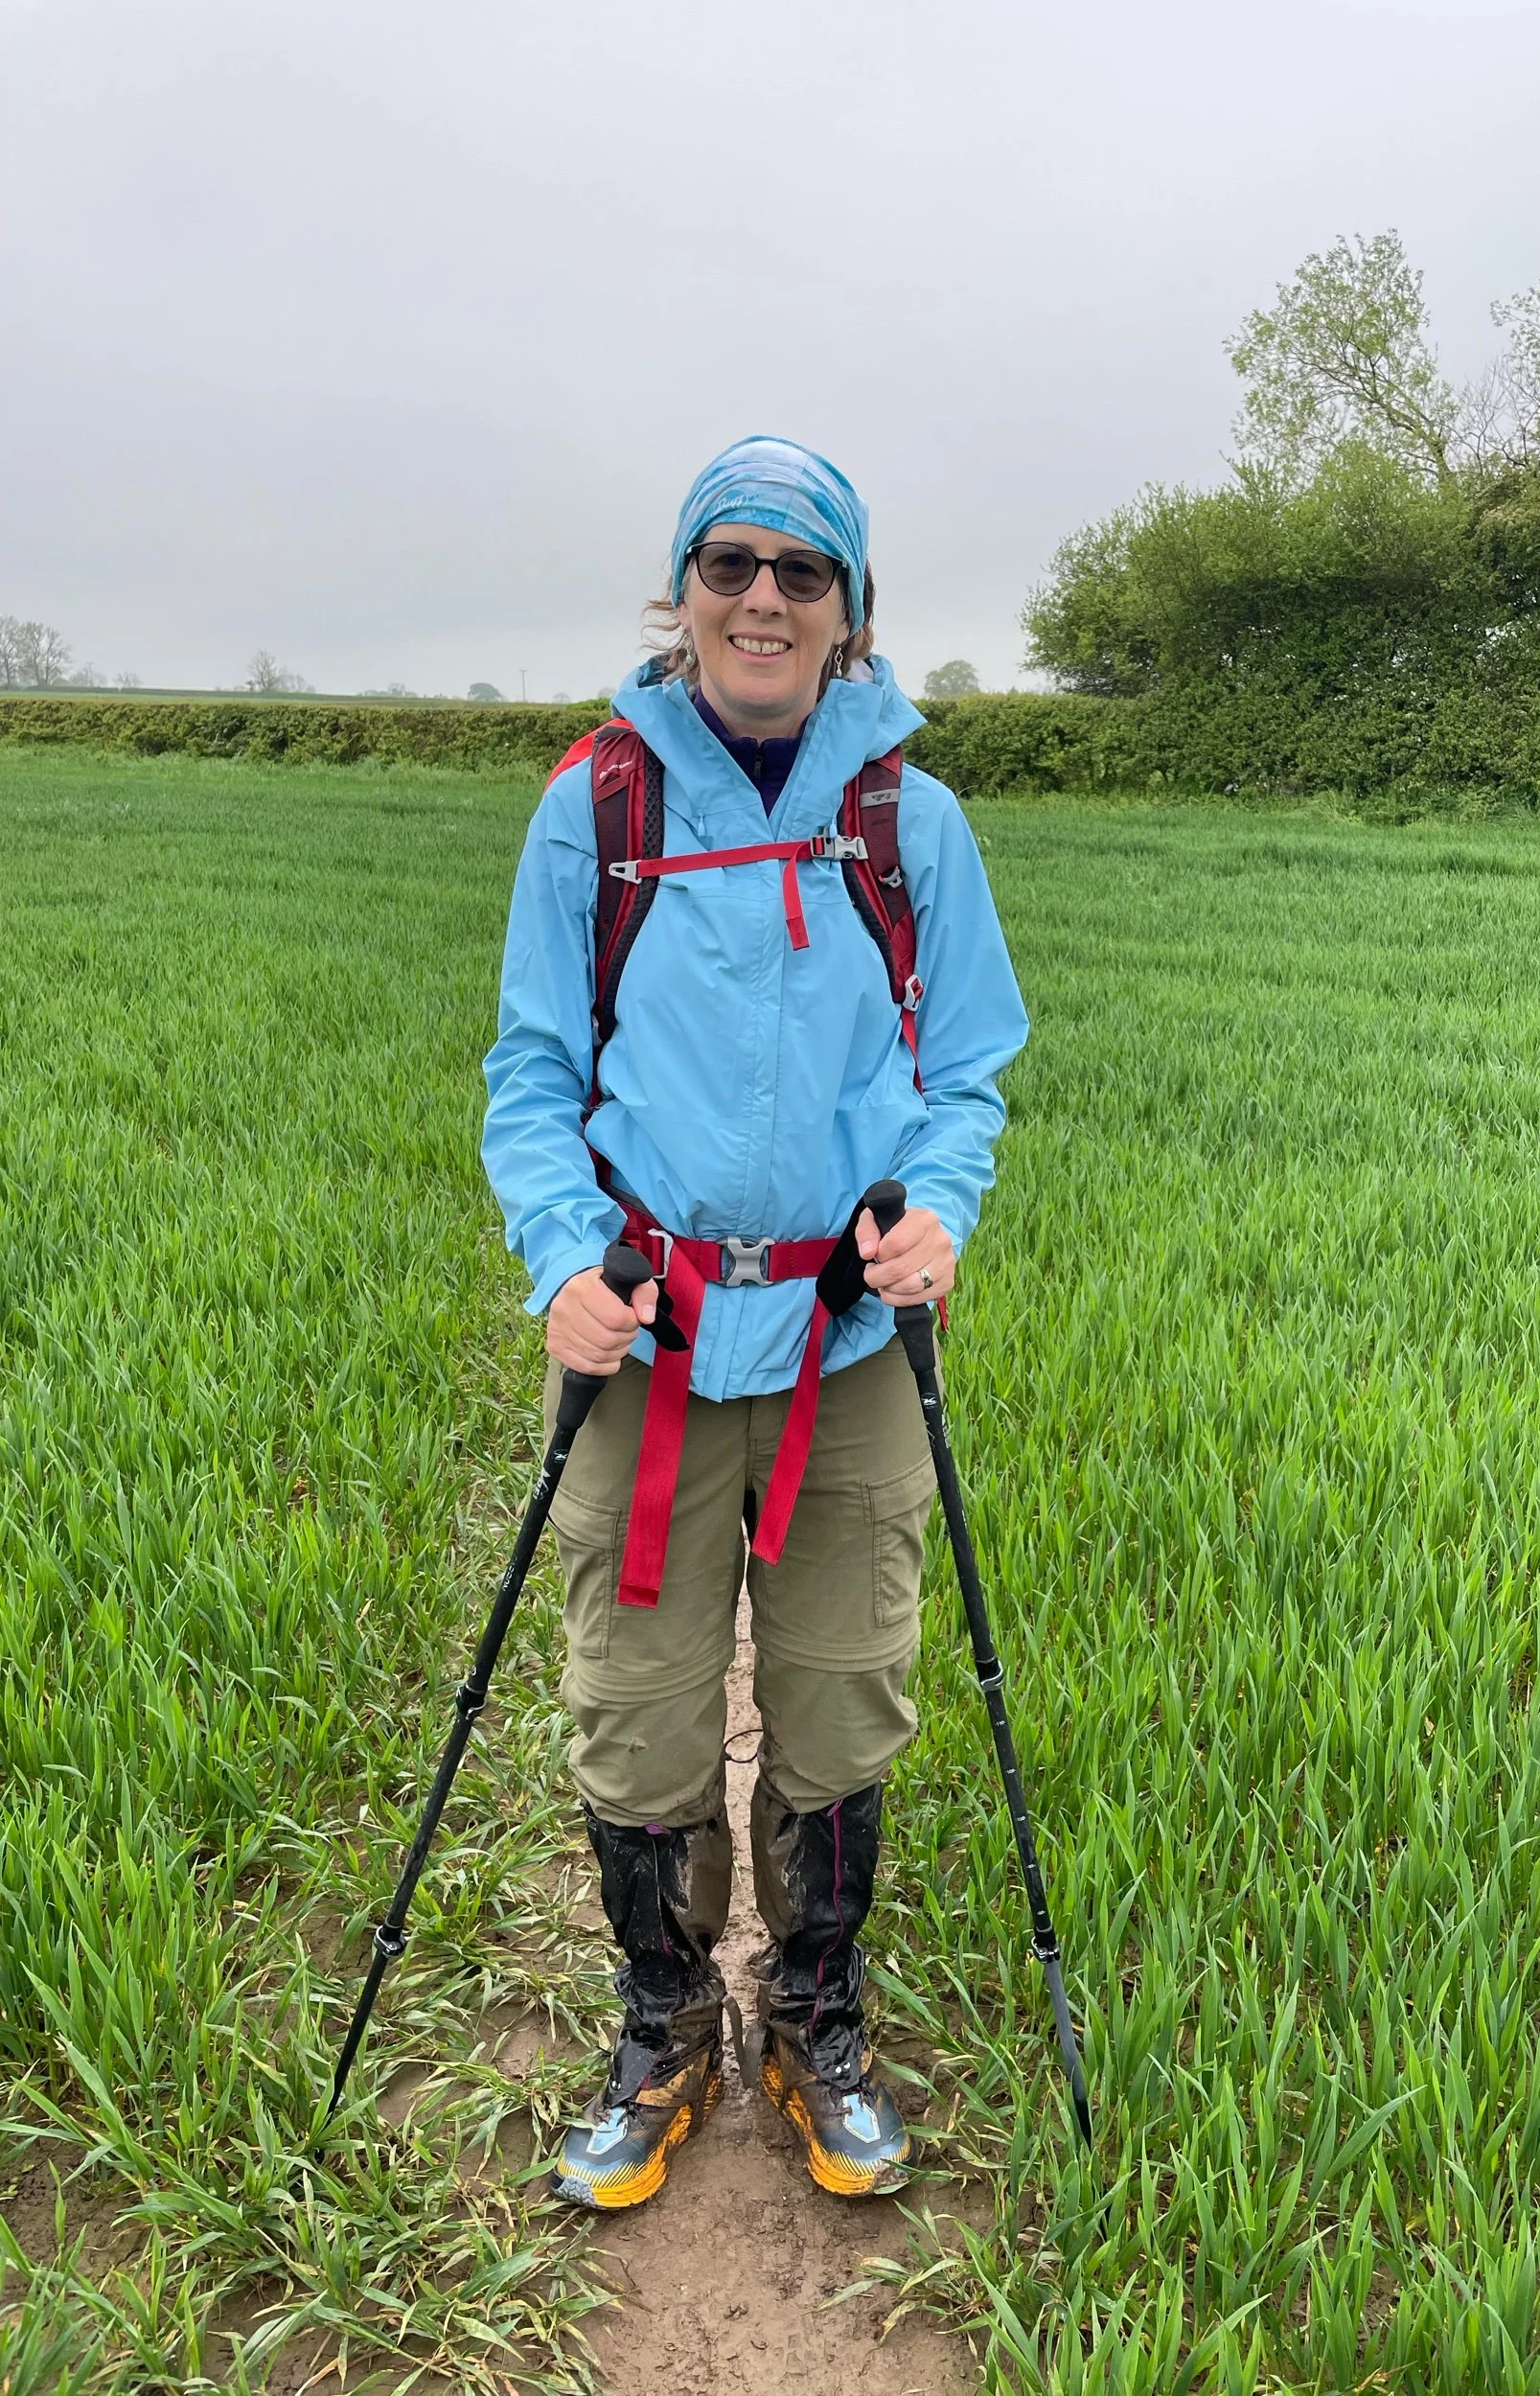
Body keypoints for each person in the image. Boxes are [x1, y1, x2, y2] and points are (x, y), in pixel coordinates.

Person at [481, 435, 1028, 2210]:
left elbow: (968, 1076)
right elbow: (533, 1071)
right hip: (645, 1337)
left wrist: (936, 1212)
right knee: (637, 1717)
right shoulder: (601, 802)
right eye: (730, 566)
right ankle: (661, 2028)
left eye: (803, 572)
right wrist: (562, 1253)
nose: (763, 599)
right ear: (684, 594)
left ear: (851, 610)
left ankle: (812, 2020)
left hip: (843, 1352)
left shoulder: (908, 822)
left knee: (838, 1703)